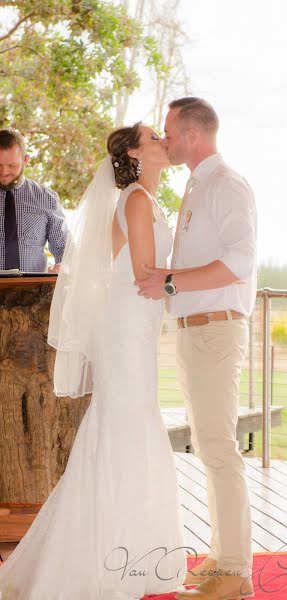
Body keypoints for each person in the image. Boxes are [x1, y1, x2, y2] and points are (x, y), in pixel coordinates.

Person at [0, 124, 188, 599]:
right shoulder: (137, 200)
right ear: (133, 153)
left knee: (131, 426)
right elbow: (148, 276)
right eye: (153, 137)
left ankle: (131, 549)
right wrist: (198, 283)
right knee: (125, 426)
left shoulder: (143, 197)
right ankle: (107, 553)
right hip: (126, 328)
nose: (163, 140)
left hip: (136, 327)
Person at [135, 97, 257, 600]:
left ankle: (235, 574)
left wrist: (167, 279)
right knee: (209, 447)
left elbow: (239, 263)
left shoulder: (227, 186)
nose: (164, 140)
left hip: (215, 330)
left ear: (192, 135)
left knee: (220, 449)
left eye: (169, 132)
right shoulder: (196, 186)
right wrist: (169, 288)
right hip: (194, 331)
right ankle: (220, 559)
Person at [0, 128, 68, 273]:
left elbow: (64, 247)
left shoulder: (46, 198)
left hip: (34, 292)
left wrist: (62, 266)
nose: (4, 172)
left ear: (26, 160)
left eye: (12, 165)